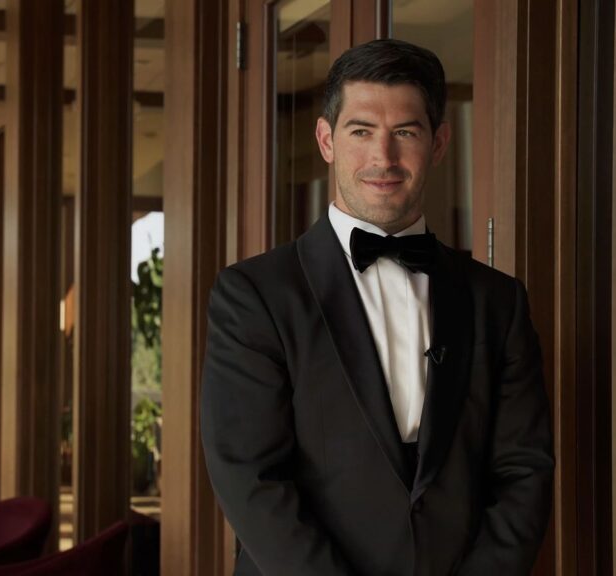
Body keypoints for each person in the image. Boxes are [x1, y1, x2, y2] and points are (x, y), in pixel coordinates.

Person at [200, 39, 553, 575]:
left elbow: (524, 470)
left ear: (437, 143)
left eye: (405, 133)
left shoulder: (498, 301)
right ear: (326, 140)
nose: (382, 158)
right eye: (361, 131)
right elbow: (250, 478)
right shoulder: (253, 295)